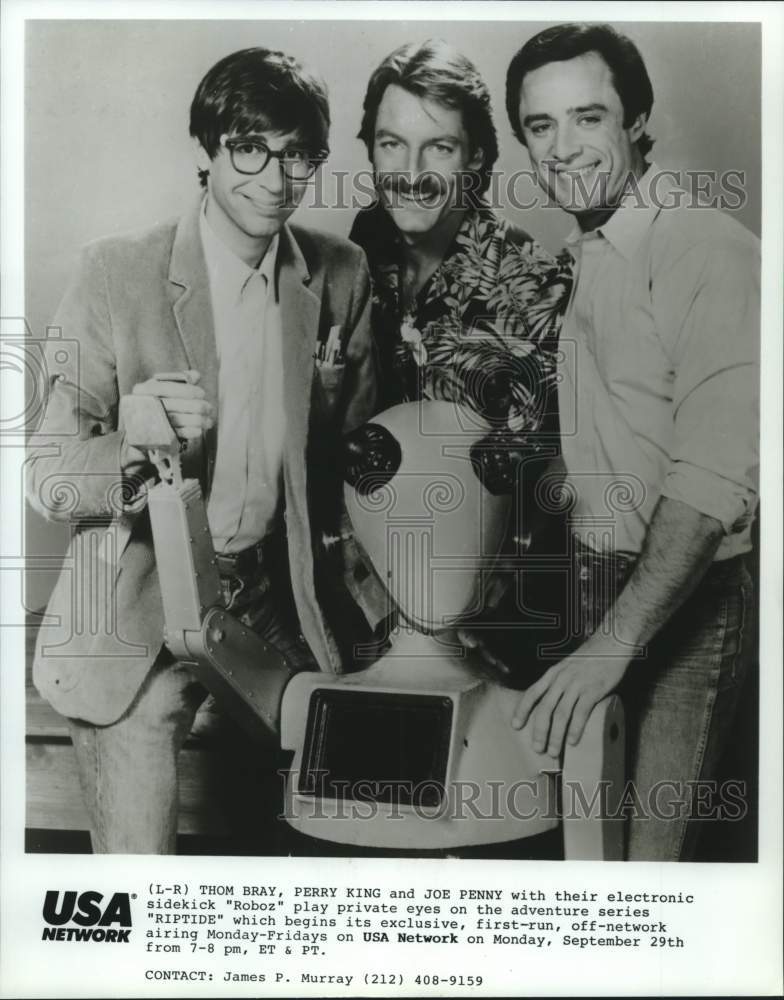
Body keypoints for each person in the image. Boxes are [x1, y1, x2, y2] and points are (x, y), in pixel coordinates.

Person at [26, 47, 377, 854]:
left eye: (298, 156)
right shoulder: (119, 272)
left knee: (349, 803)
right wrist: (132, 442)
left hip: (280, 594)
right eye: (249, 148)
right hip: (140, 586)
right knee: (137, 881)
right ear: (206, 150)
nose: (274, 178)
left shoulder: (341, 272)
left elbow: (364, 464)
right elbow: (45, 476)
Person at [504, 23, 759, 860]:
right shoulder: (594, 244)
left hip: (691, 593)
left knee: (652, 873)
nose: (564, 148)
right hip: (594, 579)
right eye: (541, 127)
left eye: (589, 118)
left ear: (638, 120)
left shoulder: (706, 249)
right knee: (589, 850)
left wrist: (607, 648)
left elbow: (712, 481)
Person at [348, 39, 572, 655]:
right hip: (353, 600)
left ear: (475, 158)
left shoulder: (535, 283)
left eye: (439, 148)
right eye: (392, 143)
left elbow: (546, 490)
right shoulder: (354, 254)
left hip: (483, 627)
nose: (412, 171)